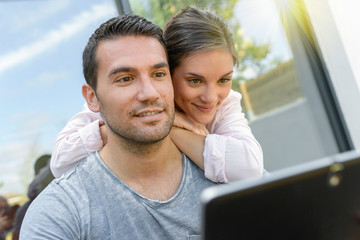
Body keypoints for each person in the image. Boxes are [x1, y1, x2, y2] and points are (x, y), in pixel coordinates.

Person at [20, 13, 217, 239]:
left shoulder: (226, 170)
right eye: (125, 78)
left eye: (159, 74)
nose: (149, 93)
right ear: (92, 98)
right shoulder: (59, 213)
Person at [50, 6, 264, 183]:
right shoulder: (116, 102)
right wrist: (138, 126)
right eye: (195, 81)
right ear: (167, 74)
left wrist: (169, 128)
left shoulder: (225, 103)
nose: (211, 96)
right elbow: (61, 161)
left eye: (223, 80)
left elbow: (249, 168)